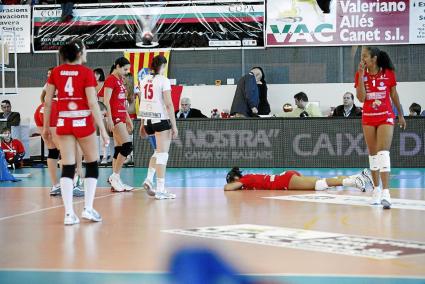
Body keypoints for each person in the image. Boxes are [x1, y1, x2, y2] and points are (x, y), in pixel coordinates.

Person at [43, 39, 110, 225]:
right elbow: (92, 102)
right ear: (80, 53)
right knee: (92, 162)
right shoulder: (87, 73)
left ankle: (69, 214)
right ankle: (88, 208)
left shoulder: (56, 72)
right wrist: (103, 130)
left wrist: (46, 127)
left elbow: (48, 101)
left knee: (68, 165)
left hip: (63, 120)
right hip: (83, 121)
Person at [355, 46, 406, 209]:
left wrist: (401, 114)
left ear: (374, 58)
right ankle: (376, 189)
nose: (362, 59)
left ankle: (386, 192)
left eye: (365, 56)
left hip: (386, 115)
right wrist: (362, 76)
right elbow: (361, 98)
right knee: (373, 155)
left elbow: (394, 94)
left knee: (383, 152)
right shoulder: (360, 74)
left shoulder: (388, 73)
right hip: (369, 117)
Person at [139, 55, 178, 200]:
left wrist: (142, 124)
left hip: (148, 120)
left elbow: (142, 101)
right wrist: (174, 125)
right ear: (163, 66)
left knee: (157, 151)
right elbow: (168, 104)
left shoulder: (144, 80)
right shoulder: (163, 80)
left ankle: (149, 179)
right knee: (163, 154)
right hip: (160, 120)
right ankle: (161, 190)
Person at [103, 57, 134, 192]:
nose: (126, 72)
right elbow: (106, 100)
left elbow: (121, 102)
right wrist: (109, 118)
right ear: (117, 66)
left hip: (121, 116)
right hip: (114, 117)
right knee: (127, 146)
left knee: (119, 148)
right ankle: (114, 177)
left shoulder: (120, 81)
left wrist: (128, 118)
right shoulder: (110, 79)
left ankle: (116, 179)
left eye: (128, 70)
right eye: (124, 69)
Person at [224, 167, 373, 191]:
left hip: (284, 181)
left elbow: (227, 188)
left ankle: (353, 182)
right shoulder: (248, 179)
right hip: (285, 178)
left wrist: (233, 184)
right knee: (321, 182)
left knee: (319, 184)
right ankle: (359, 177)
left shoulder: (246, 180)